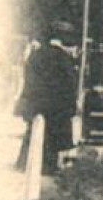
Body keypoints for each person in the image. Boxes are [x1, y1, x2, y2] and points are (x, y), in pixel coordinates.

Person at [15, 26, 80, 175]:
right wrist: (71, 101)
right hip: (56, 102)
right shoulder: (61, 56)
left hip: (37, 100)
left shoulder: (34, 56)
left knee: (34, 131)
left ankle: (25, 163)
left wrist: (27, 100)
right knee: (53, 134)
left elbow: (29, 80)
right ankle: (49, 166)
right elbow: (70, 81)